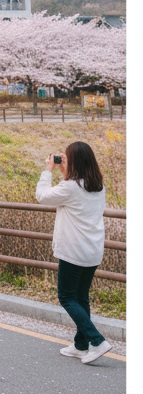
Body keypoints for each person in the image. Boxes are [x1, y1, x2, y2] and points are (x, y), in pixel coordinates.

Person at [37, 141, 112, 364]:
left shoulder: (70, 187)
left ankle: (97, 341)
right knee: (80, 297)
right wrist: (65, 174)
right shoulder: (98, 186)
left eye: (66, 157)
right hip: (92, 251)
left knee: (67, 297)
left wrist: (48, 170)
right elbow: (72, 195)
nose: (63, 160)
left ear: (75, 162)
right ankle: (81, 346)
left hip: (73, 251)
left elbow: (43, 196)